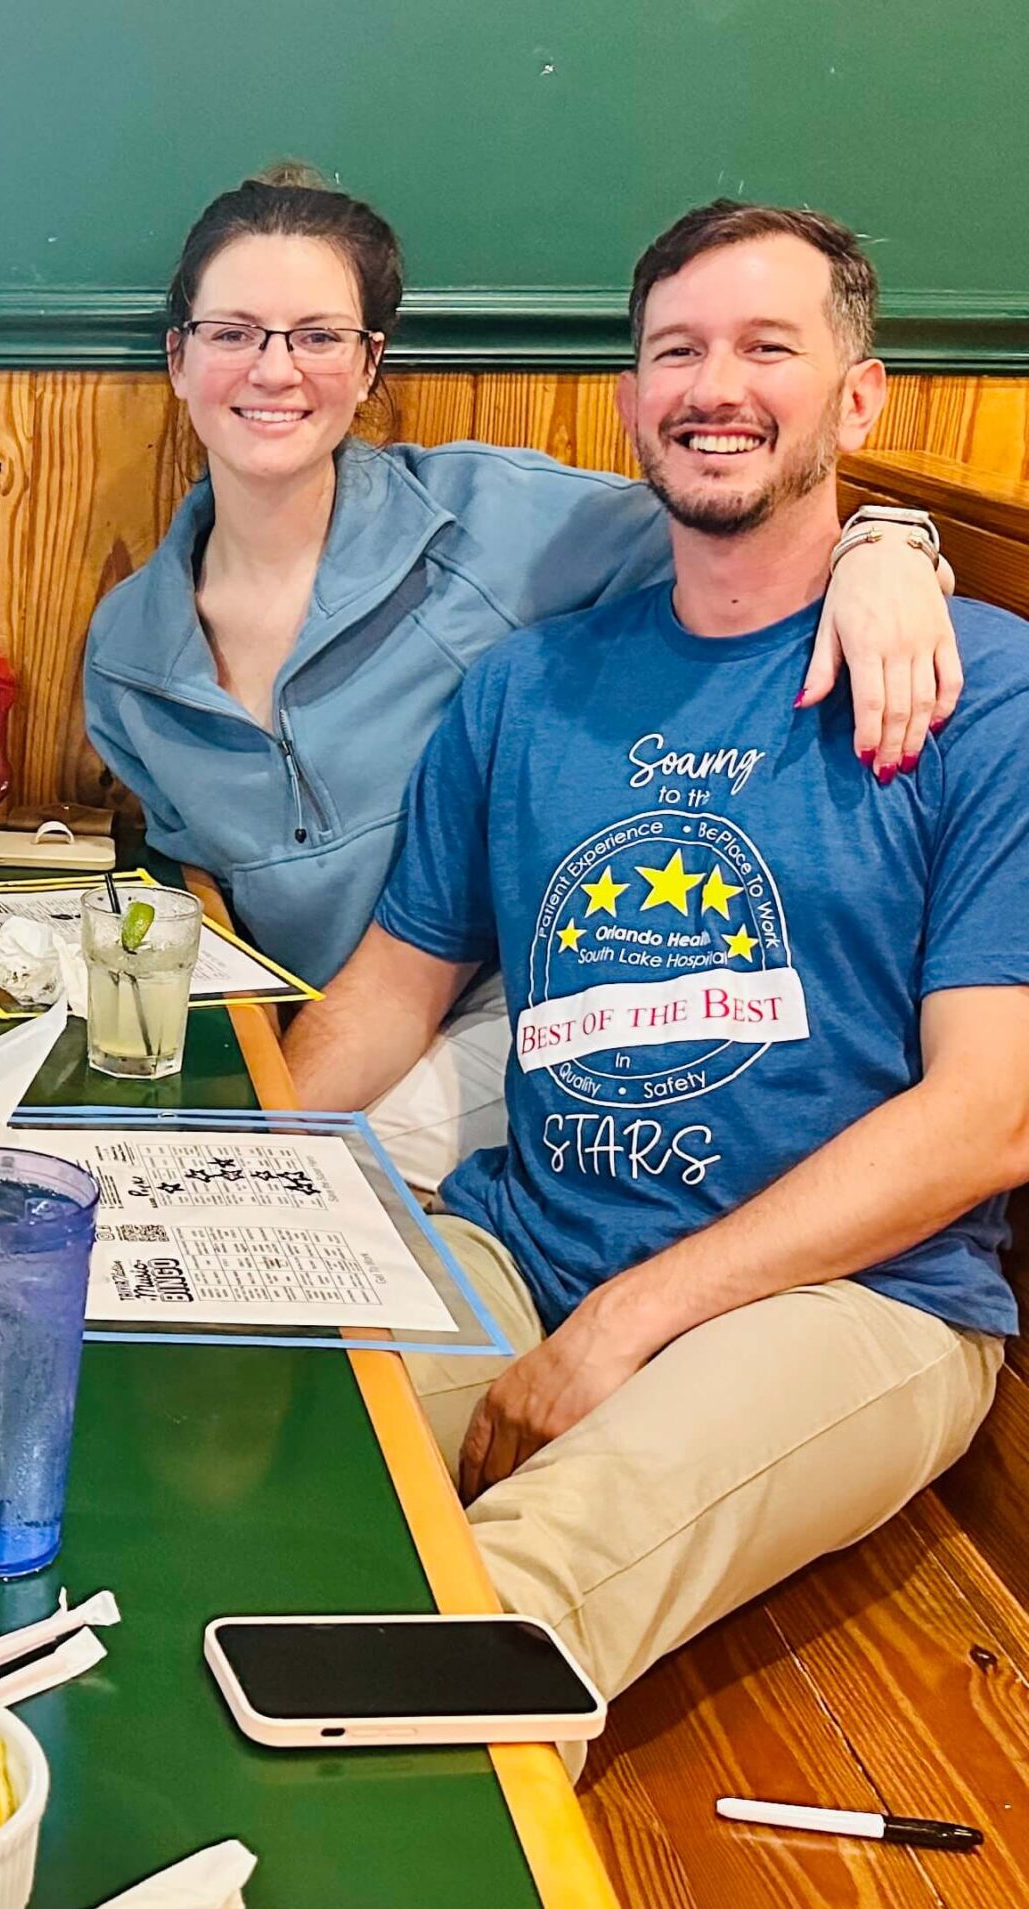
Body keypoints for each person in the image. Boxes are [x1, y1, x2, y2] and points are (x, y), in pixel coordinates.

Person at [285, 202, 1029, 1706]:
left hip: (857, 1302)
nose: (716, 386)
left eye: (771, 346)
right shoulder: (528, 688)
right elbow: (388, 991)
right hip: (521, 1239)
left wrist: (634, 1317)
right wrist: (242, 1172)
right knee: (253, 1455)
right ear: (630, 398)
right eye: (677, 350)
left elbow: (990, 1116)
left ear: (860, 395)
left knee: (510, 1598)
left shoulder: (981, 688)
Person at [83, 166, 959, 1189]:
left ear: (368, 365)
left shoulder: (505, 526)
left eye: (317, 336)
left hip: (545, 1021)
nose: (274, 370)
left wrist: (888, 546)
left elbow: (746, 518)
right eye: (233, 332)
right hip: (341, 1029)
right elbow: (215, 908)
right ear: (179, 358)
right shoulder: (130, 652)